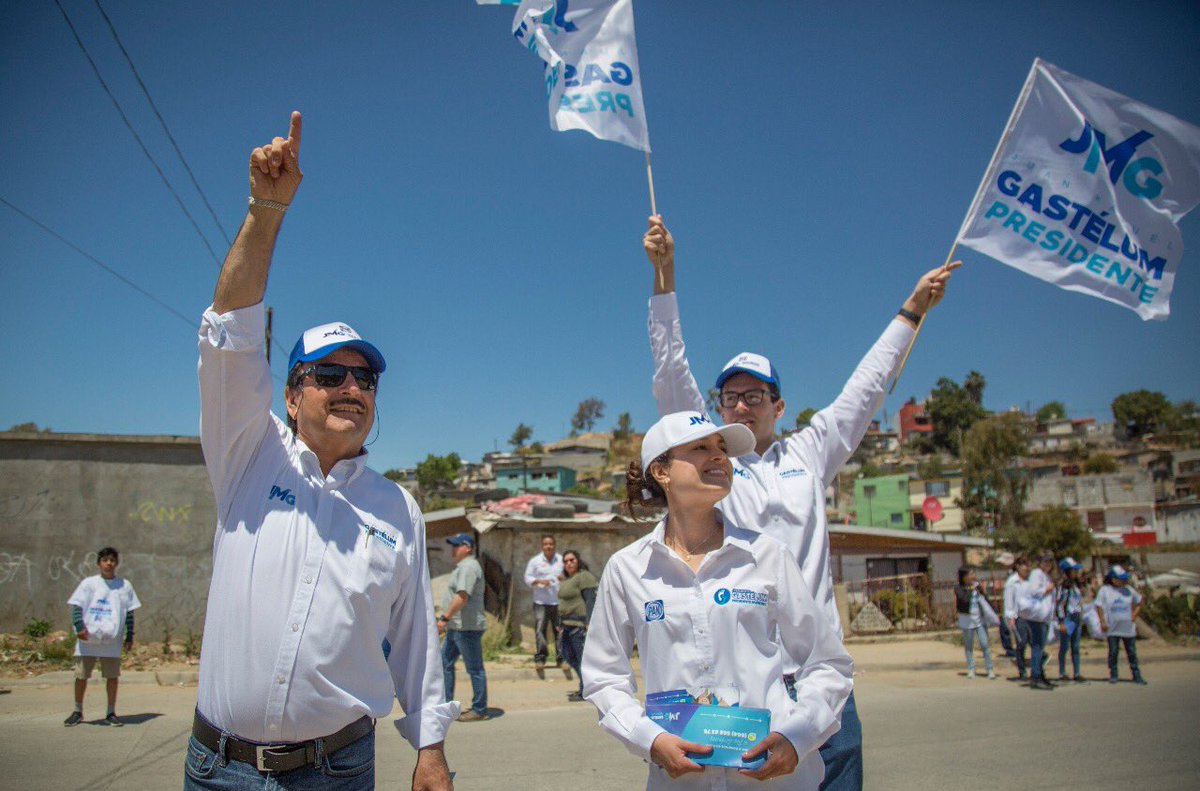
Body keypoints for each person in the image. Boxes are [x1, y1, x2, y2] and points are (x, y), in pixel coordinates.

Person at [641, 216, 958, 790]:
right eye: (729, 397)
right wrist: (665, 278)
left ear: (779, 406)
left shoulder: (810, 454)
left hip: (817, 678)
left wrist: (911, 311)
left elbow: (866, 388)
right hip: (743, 678)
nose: (740, 406)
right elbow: (670, 372)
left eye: (754, 396)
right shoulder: (713, 466)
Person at [190, 112, 456, 790]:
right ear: (289, 395)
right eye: (329, 374)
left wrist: (430, 748)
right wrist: (266, 212)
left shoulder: (397, 507)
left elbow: (417, 639)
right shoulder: (250, 452)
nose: (350, 388)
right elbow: (230, 333)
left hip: (340, 770)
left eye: (364, 377)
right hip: (221, 768)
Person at [583, 411, 853, 789]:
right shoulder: (627, 569)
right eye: (701, 448)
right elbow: (603, 677)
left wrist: (798, 738)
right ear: (661, 471)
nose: (720, 457)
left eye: (722, 449)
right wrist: (650, 740)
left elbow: (827, 663)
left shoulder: (768, 556)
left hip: (771, 780)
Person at [64, 547, 140, 727]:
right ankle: (77, 711)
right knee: (81, 676)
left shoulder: (124, 586)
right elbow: (77, 607)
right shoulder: (89, 584)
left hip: (112, 641)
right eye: (105, 560)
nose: (109, 563)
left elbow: (129, 612)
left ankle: (111, 712)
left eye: (112, 560)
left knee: (112, 677)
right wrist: (79, 627)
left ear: (116, 563)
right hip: (87, 639)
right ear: (99, 563)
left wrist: (130, 636)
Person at [438, 532, 489, 722]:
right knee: (445, 663)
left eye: (457, 545)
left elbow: (462, 596)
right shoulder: (462, 567)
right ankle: (446, 704)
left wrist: (444, 618)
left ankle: (479, 709)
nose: (453, 549)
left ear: (467, 547)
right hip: (457, 626)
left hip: (467, 627)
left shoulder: (468, 567)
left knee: (475, 669)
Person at [557, 549, 599, 702]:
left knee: (582, 659)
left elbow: (590, 600)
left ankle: (585, 690)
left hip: (579, 625)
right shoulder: (568, 579)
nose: (569, 563)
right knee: (569, 656)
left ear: (578, 561)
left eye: (572, 560)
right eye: (566, 561)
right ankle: (586, 686)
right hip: (567, 624)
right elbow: (563, 603)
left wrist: (589, 622)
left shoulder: (584, 576)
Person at [1094, 565, 1146, 685]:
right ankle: (1114, 674)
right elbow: (1099, 605)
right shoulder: (1105, 590)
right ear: (1113, 579)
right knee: (1113, 651)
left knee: (1131, 652)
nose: (1123, 581)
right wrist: (1102, 621)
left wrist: (1134, 615)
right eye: (1120, 578)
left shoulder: (1128, 589)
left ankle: (1136, 675)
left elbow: (1140, 601)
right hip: (1112, 628)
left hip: (1128, 628)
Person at [524, 534, 566, 677]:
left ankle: (561, 659)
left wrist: (563, 579)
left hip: (558, 602)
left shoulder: (561, 560)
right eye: (546, 544)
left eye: (551, 544)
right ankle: (541, 658)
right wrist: (539, 582)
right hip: (541, 602)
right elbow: (527, 577)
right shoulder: (535, 561)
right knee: (540, 631)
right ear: (542, 546)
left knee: (560, 631)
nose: (549, 546)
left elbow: (570, 576)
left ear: (555, 545)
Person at [1014, 554, 1056, 690]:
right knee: (1037, 647)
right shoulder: (1037, 574)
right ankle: (1036, 676)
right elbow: (1033, 592)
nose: (1048, 565)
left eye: (1050, 562)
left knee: (1040, 646)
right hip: (1036, 616)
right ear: (1040, 563)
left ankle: (1040, 674)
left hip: (1043, 616)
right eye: (1045, 562)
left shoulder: (1046, 576)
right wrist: (1046, 589)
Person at [955, 567, 996, 680]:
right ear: (965, 576)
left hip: (979, 620)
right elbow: (963, 600)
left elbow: (985, 599)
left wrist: (982, 591)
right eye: (971, 573)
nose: (973, 576)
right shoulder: (959, 588)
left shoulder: (977, 586)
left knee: (985, 644)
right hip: (967, 622)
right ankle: (971, 668)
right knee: (969, 646)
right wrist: (970, 590)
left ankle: (990, 669)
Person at [1055, 557, 1086, 682]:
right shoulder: (1063, 587)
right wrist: (1062, 622)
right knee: (1064, 647)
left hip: (1076, 617)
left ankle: (1077, 672)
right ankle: (1062, 673)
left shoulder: (1076, 585)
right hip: (1067, 618)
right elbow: (1059, 605)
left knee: (1076, 646)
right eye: (1073, 570)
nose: (1076, 573)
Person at [1003, 557, 1028, 678]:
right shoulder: (1012, 581)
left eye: (1027, 565)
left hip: (1031, 616)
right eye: (1023, 565)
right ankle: (1022, 670)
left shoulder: (1029, 580)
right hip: (1018, 617)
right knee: (1021, 643)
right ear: (1017, 566)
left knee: (1034, 642)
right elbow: (1009, 601)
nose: (1026, 567)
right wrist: (1011, 617)